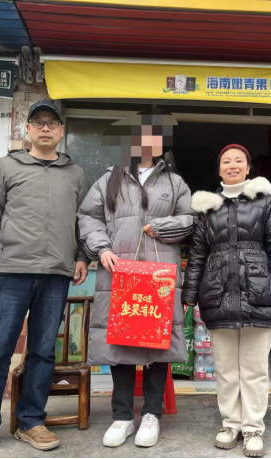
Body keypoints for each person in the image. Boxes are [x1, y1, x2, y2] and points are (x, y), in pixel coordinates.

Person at [0, 101, 89, 458]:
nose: (45, 128)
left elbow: (83, 220)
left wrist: (82, 256)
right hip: (12, 270)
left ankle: (31, 421)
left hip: (56, 274)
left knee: (43, 351)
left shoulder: (75, 173)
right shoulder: (7, 166)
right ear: (27, 129)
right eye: (38, 122)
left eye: (52, 123)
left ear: (61, 131)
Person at [77, 110, 193, 449]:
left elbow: (190, 220)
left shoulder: (174, 182)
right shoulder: (109, 179)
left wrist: (161, 227)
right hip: (119, 272)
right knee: (121, 342)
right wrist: (101, 249)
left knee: (157, 341)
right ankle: (123, 416)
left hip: (159, 274)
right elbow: (88, 217)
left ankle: (152, 414)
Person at [183, 144, 271, 458]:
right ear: (219, 169)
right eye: (226, 161)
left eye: (238, 161)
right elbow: (197, 255)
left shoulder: (265, 202)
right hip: (217, 292)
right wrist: (189, 294)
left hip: (258, 292)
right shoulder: (207, 207)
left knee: (254, 368)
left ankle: (253, 428)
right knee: (225, 368)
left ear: (248, 168)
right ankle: (230, 424)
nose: (232, 165)